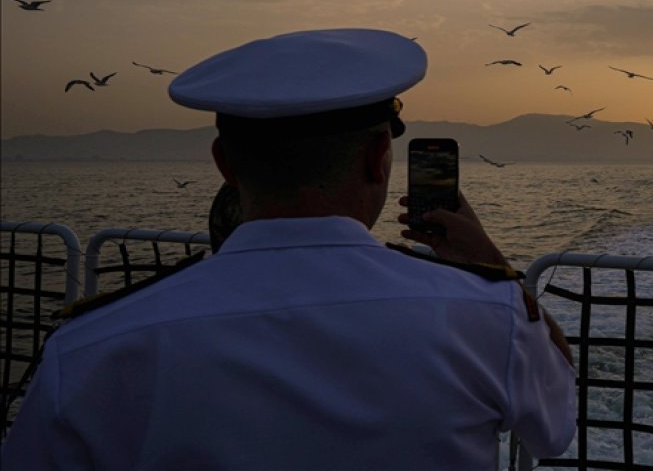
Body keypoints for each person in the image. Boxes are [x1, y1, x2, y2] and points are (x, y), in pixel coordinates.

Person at [1, 28, 576, 469]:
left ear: (225, 165)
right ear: (379, 158)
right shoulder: (486, 317)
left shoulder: (90, 350)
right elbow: (555, 431)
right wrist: (491, 267)